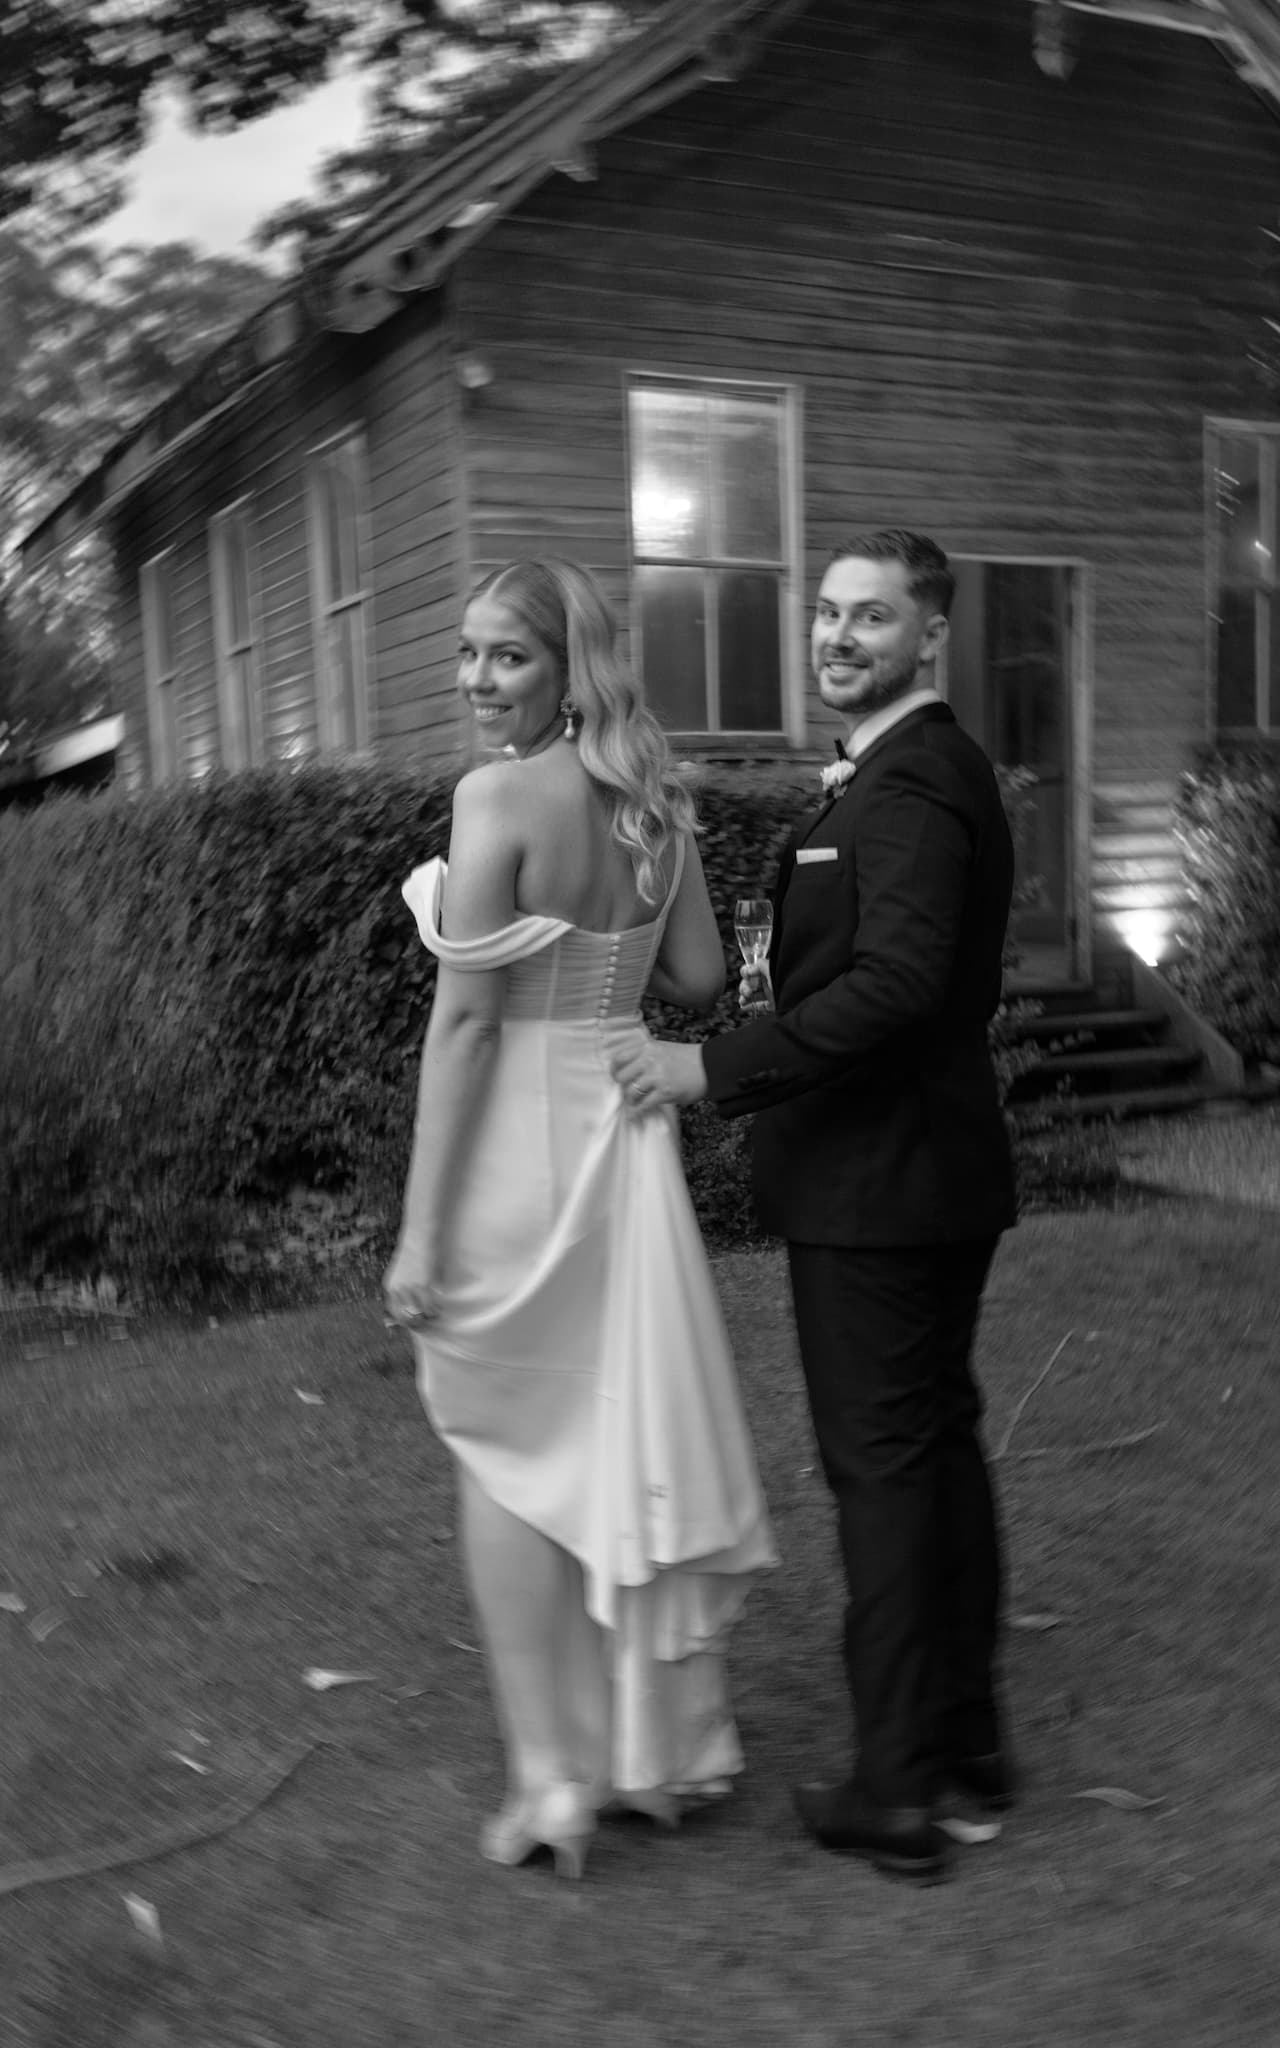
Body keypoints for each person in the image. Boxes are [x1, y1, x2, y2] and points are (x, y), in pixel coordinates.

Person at [611, 529, 1017, 1885]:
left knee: (886, 1478)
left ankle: (899, 1789)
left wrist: (706, 1066)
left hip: (883, 1189)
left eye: (872, 618)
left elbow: (897, 988)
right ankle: (964, 1743)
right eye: (829, 614)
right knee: (934, 1456)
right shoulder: (901, 774)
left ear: (929, 635)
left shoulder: (911, 786)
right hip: (912, 1177)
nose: (838, 636)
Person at [383, 557, 775, 1882]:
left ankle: (555, 1778)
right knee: (609, 1432)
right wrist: (621, 976)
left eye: (507, 656)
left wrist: (419, 1234)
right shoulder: (654, 802)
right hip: (623, 1134)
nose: (476, 680)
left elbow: (467, 1023)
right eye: (467, 652)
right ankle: (642, 1756)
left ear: (568, 667)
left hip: (516, 1153)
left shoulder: (494, 797)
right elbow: (702, 978)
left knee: (501, 1447)